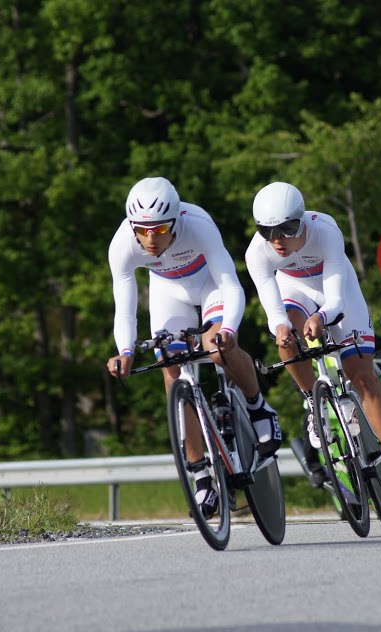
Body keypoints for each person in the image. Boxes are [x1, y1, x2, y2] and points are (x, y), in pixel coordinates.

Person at [106, 176, 281, 517]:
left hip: (210, 284)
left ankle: (258, 407)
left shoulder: (198, 223)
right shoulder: (122, 244)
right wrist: (125, 351)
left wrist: (227, 329)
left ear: (175, 221)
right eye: (142, 230)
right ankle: (200, 475)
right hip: (168, 291)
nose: (150, 239)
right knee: (169, 365)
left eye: (159, 229)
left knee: (217, 348)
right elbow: (124, 309)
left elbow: (231, 286)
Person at [245, 181, 381, 509]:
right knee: (287, 338)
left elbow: (336, 301)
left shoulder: (325, 230)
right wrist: (282, 329)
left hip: (337, 291)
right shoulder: (257, 252)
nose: (277, 240)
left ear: (301, 221)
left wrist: (321, 317)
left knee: (362, 377)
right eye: (268, 232)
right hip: (294, 290)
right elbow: (274, 311)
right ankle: (313, 402)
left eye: (287, 229)